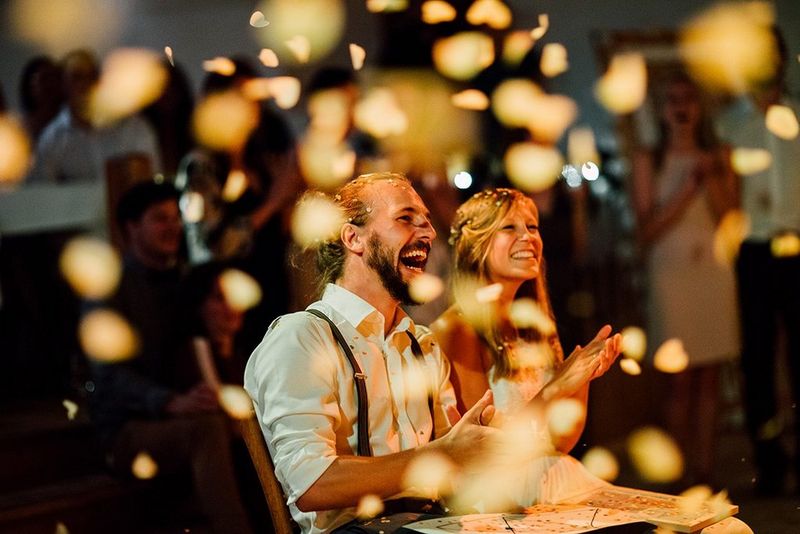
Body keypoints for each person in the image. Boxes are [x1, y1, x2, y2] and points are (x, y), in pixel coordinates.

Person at [244, 173, 498, 534]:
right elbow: (312, 484)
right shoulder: (302, 337)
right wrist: (441, 454)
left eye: (426, 220)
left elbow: (453, 466)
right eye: (405, 218)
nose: (427, 232)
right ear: (354, 237)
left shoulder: (420, 344)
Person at [430, 188, 620, 505]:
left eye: (532, 227)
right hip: (498, 495)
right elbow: (481, 446)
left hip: (554, 478)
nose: (528, 237)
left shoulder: (535, 325)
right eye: (509, 228)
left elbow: (560, 443)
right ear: (476, 244)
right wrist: (555, 389)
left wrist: (582, 378)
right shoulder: (458, 328)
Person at [87, 181, 253, 533]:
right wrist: (169, 401)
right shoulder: (110, 287)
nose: (173, 227)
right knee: (207, 429)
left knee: (250, 422)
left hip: (186, 407)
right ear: (132, 227)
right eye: (160, 219)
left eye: (176, 218)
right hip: (128, 427)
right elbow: (108, 375)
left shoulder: (184, 279)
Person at [632, 74, 739, 486]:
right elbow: (646, 231)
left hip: (712, 272)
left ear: (699, 108)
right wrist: (687, 186)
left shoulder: (717, 155)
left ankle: (706, 470)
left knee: (710, 373)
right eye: (672, 98)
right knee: (678, 377)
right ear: (662, 110)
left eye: (689, 98)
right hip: (670, 272)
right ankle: (678, 475)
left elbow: (730, 217)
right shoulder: (649, 159)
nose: (681, 106)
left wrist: (711, 175)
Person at [716, 28, 800, 495]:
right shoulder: (732, 124)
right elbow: (726, 200)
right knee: (759, 361)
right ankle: (770, 467)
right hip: (755, 253)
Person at [27, 49, 161, 184]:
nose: (86, 84)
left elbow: (152, 176)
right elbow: (44, 190)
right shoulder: (53, 139)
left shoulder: (131, 126)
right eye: (77, 77)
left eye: (92, 76)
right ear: (64, 84)